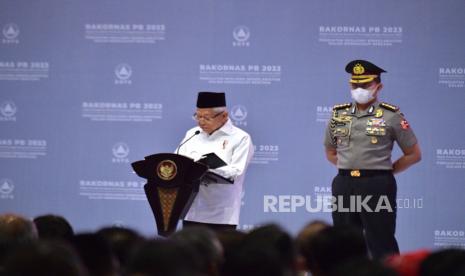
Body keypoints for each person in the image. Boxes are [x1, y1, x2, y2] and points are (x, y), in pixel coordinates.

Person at [324, 60, 421, 259]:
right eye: (355, 85)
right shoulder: (338, 114)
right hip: (344, 183)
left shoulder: (391, 115)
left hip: (377, 185)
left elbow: (414, 154)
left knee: (381, 241)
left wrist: (385, 170)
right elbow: (331, 152)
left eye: (365, 84)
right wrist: (350, 167)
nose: (359, 89)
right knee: (343, 242)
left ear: (378, 86)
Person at [176, 91, 254, 231]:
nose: (201, 121)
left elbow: (236, 171)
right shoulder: (193, 133)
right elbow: (177, 160)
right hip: (191, 211)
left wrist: (206, 168)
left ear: (224, 116)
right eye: (198, 116)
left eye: (206, 117)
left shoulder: (241, 138)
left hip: (221, 214)